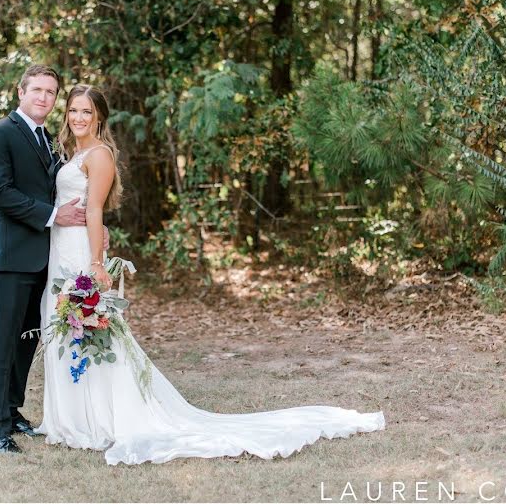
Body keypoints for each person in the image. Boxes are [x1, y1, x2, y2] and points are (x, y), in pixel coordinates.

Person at [36, 84, 386, 465]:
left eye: (86, 111)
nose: (79, 118)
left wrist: (97, 263)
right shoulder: (72, 152)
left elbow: (93, 212)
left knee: (89, 331)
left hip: (80, 254)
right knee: (68, 327)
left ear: (100, 116)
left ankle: (97, 420)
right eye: (73, 111)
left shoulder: (99, 154)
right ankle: (72, 417)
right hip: (61, 249)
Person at [0, 64, 89, 454]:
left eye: (51, 92)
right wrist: (55, 216)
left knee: (28, 339)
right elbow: (1, 193)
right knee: (3, 341)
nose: (44, 97)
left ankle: (12, 411)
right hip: (10, 257)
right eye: (37, 89)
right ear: (20, 91)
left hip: (46, 259)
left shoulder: (50, 141)